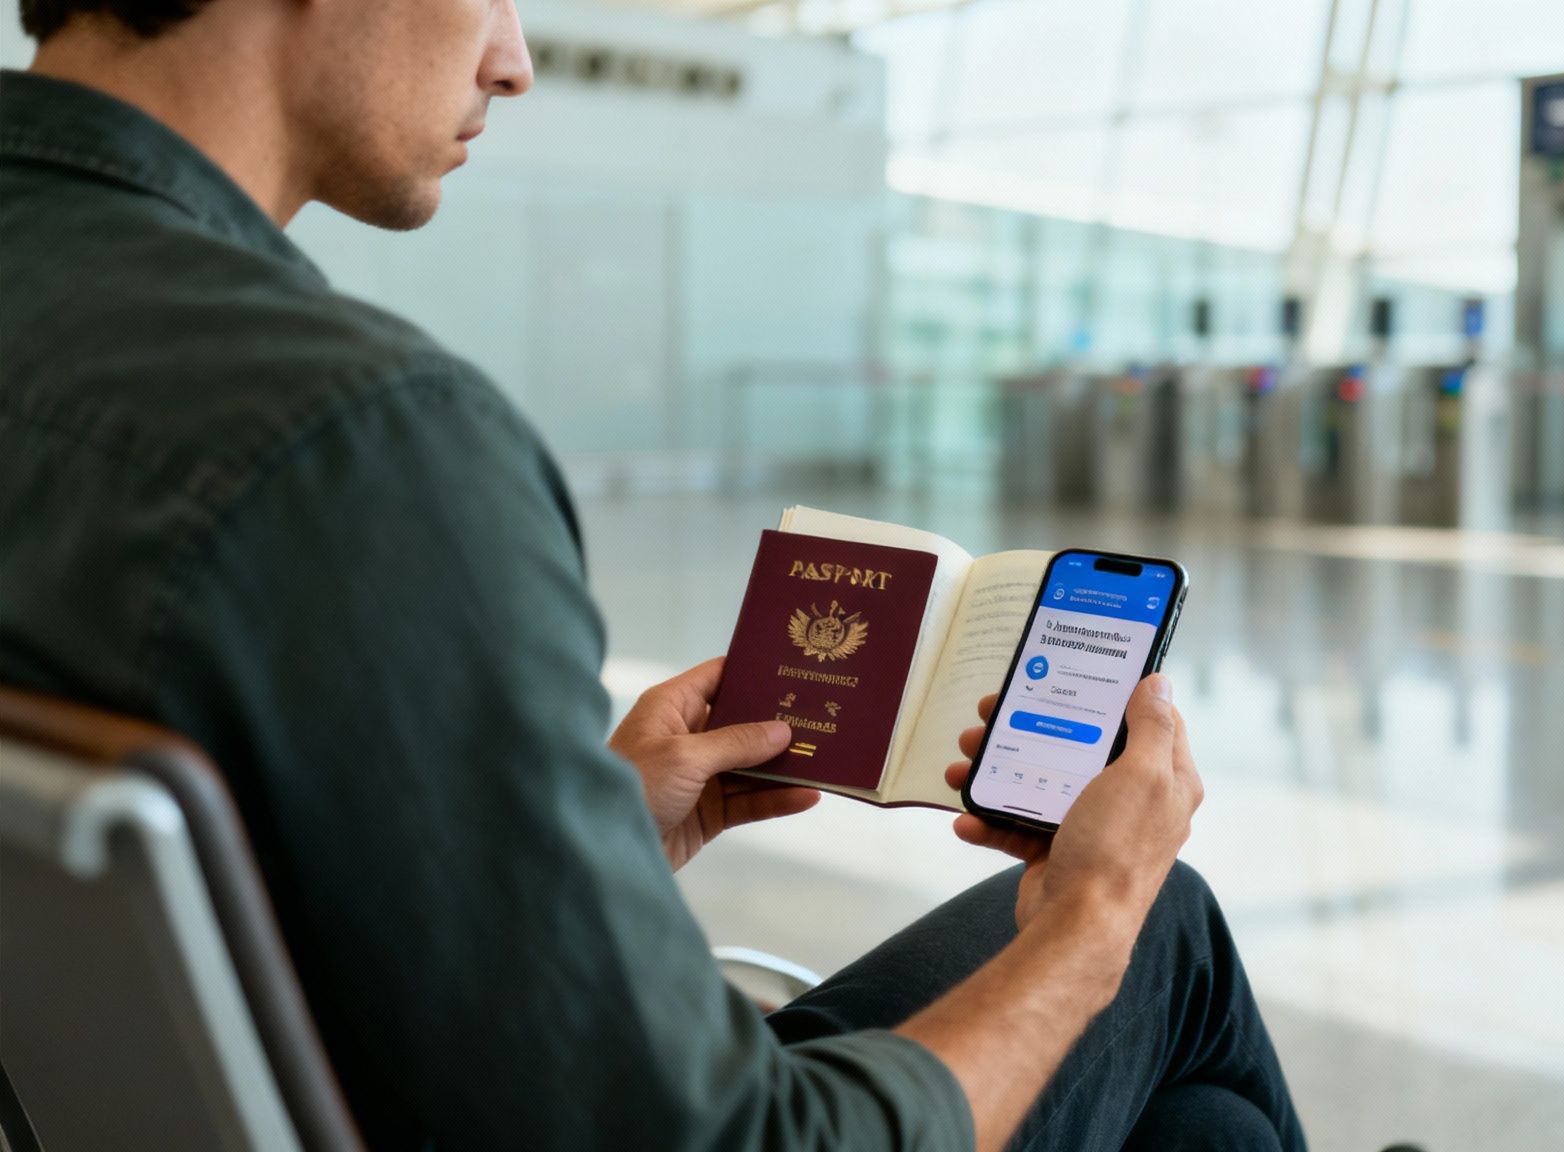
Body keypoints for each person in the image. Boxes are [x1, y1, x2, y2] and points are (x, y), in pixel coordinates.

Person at [0, 1, 1308, 1149]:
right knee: (1163, 936)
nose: (511, 63)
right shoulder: (360, 440)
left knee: (1196, 1130)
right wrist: (1092, 918)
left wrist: (591, 832)